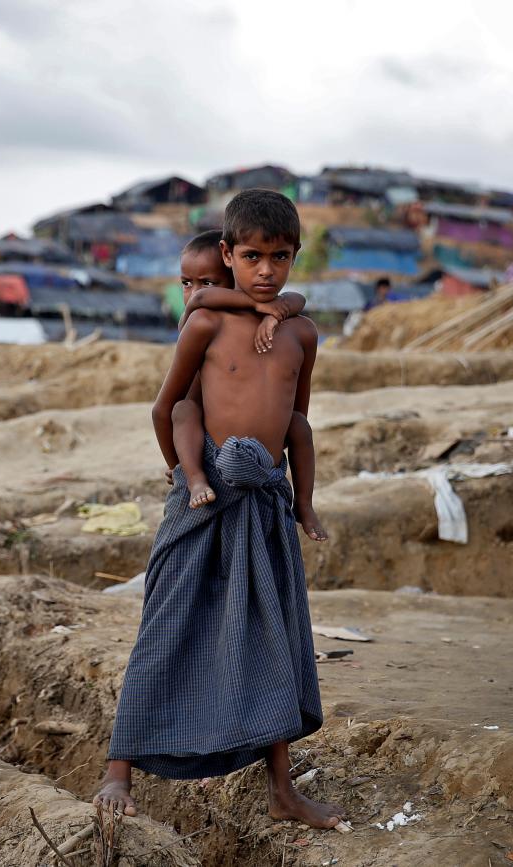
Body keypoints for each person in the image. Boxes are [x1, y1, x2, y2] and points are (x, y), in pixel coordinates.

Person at [95, 190, 343, 830]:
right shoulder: (203, 324)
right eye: (253, 256)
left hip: (262, 506)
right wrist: (184, 475)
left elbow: (296, 421)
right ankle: (118, 772)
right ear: (229, 254)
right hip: (202, 501)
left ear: (295, 257)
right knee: (167, 622)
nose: (266, 270)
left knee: (274, 640)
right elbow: (166, 407)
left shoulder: (302, 335)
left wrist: (303, 504)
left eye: (280, 257)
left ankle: (283, 791)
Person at [172, 230, 327, 541]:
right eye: (186, 283)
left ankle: (305, 505)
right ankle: (194, 478)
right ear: (231, 257)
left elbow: (296, 299)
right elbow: (165, 409)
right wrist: (178, 468)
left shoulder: (296, 330)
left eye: (209, 281)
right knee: (184, 410)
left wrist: (275, 313)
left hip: (263, 464)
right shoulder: (200, 318)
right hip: (206, 439)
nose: (194, 292)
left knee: (299, 426)